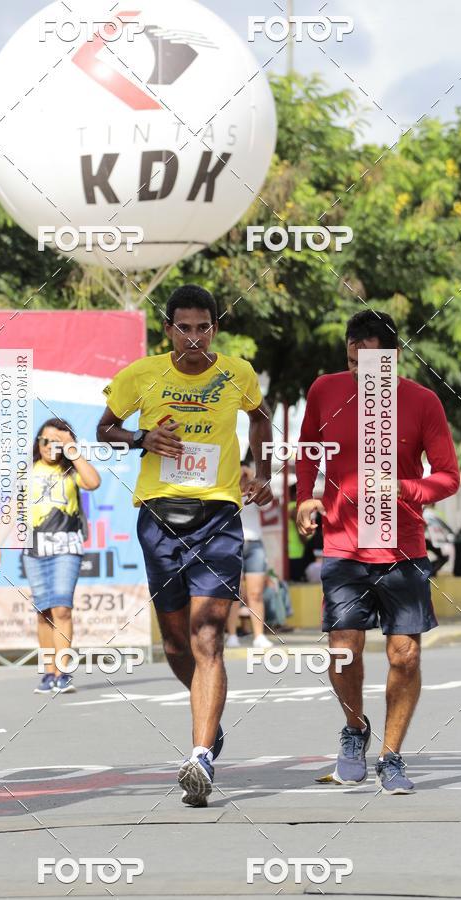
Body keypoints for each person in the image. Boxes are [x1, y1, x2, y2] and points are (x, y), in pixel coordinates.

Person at [96, 284, 273, 807]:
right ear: (168, 329)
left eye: (204, 328)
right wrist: (141, 439)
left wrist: (261, 474)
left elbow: (260, 418)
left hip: (218, 516)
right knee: (176, 644)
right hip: (159, 517)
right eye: (184, 328)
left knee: (208, 637)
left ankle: (200, 755)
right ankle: (208, 719)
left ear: (214, 329)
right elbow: (105, 427)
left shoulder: (236, 373)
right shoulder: (142, 375)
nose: (194, 338)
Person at [296, 310, 459, 794]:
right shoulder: (324, 390)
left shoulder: (423, 402)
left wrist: (404, 488)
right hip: (343, 545)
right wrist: (306, 497)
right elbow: (308, 451)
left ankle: (390, 755)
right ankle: (354, 729)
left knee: (405, 655)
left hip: (403, 548)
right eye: (352, 362)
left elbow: (447, 476)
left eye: (371, 364)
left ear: (394, 357)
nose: (361, 373)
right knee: (343, 649)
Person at [0, 418, 101, 694]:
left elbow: (93, 483)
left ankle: (63, 673)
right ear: (37, 443)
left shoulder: (71, 471)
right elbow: (12, 512)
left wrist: (73, 451)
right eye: (46, 440)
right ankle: (48, 673)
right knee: (43, 612)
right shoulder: (26, 473)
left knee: (62, 607)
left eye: (58, 442)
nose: (51, 446)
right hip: (34, 550)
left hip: (67, 547)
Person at [226, 464, 273, 649]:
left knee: (256, 593)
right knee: (233, 593)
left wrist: (254, 480)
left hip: (254, 543)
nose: (243, 476)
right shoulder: (228, 487)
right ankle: (231, 635)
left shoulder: (254, 490)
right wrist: (236, 481)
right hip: (233, 543)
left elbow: (267, 506)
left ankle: (259, 636)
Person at [287, 481, 307, 582]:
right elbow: (300, 530)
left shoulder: (286, 508)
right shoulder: (295, 509)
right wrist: (307, 544)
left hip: (288, 552)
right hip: (297, 553)